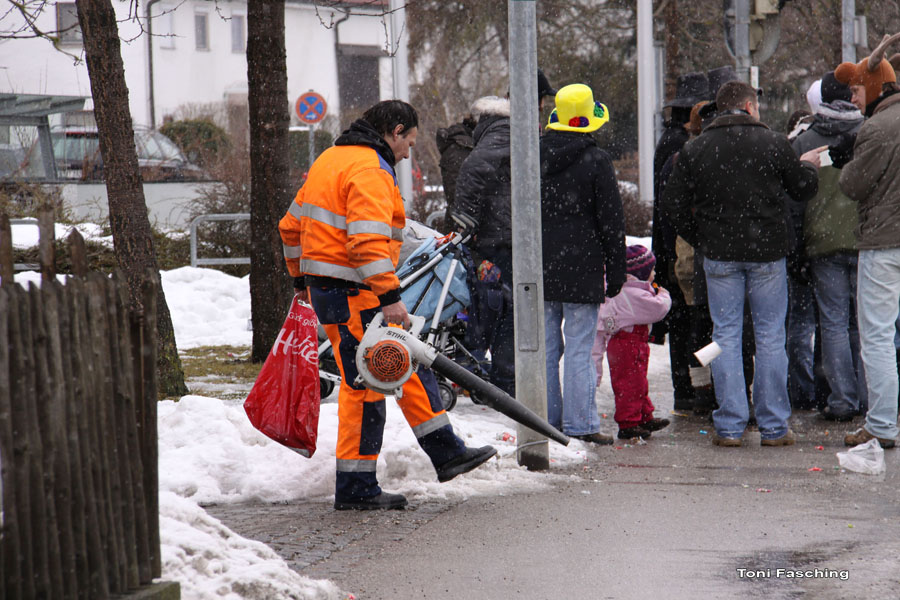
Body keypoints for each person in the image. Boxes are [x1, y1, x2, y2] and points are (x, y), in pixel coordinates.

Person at [279, 100, 496, 510]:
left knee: (403, 364)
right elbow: (366, 242)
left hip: (332, 292)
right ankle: (357, 488)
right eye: (409, 142)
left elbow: (289, 227)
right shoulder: (371, 170)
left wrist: (300, 278)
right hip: (355, 292)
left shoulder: (329, 161)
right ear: (395, 131)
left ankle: (446, 452)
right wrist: (390, 297)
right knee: (366, 385)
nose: (408, 153)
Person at [664, 80, 822, 447]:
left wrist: (702, 236)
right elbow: (802, 189)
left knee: (724, 336)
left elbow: (672, 204)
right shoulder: (773, 143)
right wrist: (809, 167)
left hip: (719, 255)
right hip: (767, 253)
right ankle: (774, 425)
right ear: (750, 107)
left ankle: (730, 425)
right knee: (770, 336)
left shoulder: (696, 148)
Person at [539, 83, 626, 445]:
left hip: (540, 266)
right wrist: (617, 268)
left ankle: (544, 422)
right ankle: (580, 424)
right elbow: (611, 219)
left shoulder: (534, 155)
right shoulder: (596, 160)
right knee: (579, 348)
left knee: (545, 349)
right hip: (582, 267)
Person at [792, 72, 866, 422]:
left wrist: (797, 248)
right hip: (864, 238)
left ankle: (842, 400)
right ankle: (869, 397)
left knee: (833, 324)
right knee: (865, 325)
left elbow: (794, 200)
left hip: (822, 242)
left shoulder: (804, 142)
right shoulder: (869, 134)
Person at [837, 55, 900, 449]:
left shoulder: (877, 128)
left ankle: (881, 424)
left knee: (877, 337)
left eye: (857, 90)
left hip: (883, 242)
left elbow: (853, 186)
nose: (854, 99)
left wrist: (845, 163)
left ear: (875, 86)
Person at [651, 72, 708, 411]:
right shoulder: (680, 147)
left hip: (673, 249)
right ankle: (693, 389)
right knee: (694, 325)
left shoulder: (669, 142)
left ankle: (687, 389)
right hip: (684, 252)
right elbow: (673, 205)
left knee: (683, 323)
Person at [452, 95, 516, 396]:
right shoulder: (504, 132)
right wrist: (468, 219)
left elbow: (474, 170)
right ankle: (503, 378)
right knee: (504, 309)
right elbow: (475, 169)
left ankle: (488, 372)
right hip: (503, 236)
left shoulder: (496, 132)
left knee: (493, 306)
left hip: (496, 236)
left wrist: (467, 220)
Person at [593, 245, 672, 439]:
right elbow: (658, 309)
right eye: (652, 270)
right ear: (641, 273)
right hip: (627, 344)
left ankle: (644, 416)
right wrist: (664, 294)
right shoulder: (632, 293)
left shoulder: (627, 290)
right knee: (628, 385)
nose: (655, 274)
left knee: (638, 383)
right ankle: (628, 422)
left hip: (632, 344)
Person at [436, 115, 476, 231]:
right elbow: (457, 194)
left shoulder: (459, 146)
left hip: (460, 222)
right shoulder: (461, 148)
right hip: (463, 224)